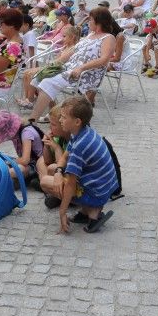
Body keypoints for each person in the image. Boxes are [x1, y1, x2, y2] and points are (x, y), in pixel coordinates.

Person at [27, 8, 116, 123]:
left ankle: (32, 119)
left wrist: (81, 68)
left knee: (47, 82)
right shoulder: (90, 35)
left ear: (98, 21)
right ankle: (54, 114)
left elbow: (104, 60)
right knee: (40, 76)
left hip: (86, 74)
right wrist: (54, 64)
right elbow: (73, 51)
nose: (88, 22)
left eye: (90, 20)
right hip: (70, 69)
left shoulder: (109, 38)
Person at [54, 97, 117, 234]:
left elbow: (71, 183)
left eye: (63, 117)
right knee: (53, 171)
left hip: (97, 192)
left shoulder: (80, 145)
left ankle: (92, 210)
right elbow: (65, 156)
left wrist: (62, 212)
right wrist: (58, 172)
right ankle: (87, 210)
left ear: (77, 121)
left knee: (47, 183)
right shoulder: (83, 132)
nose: (60, 120)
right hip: (105, 186)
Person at [0, 110, 43, 180]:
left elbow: (25, 160)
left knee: (16, 170)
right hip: (19, 162)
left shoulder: (26, 133)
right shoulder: (13, 130)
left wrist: (6, 163)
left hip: (34, 165)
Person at [37, 105, 69, 209]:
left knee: (52, 168)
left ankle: (51, 192)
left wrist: (57, 148)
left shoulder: (71, 140)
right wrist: (46, 145)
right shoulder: (60, 137)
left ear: (64, 126)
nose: (50, 128)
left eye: (53, 124)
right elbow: (48, 160)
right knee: (41, 161)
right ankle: (49, 190)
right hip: (61, 175)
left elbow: (61, 166)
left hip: (71, 179)